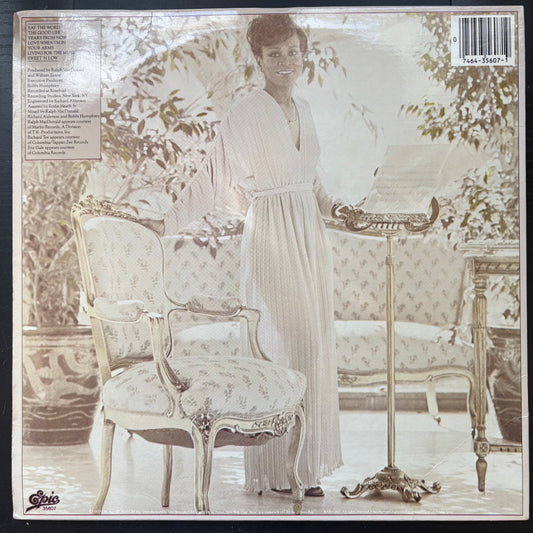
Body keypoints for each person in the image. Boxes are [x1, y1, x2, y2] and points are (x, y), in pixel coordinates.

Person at [164, 13, 343, 496]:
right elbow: (213, 177)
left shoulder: (305, 108)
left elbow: (310, 180)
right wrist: (165, 223)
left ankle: (304, 469)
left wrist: (339, 208)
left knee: (313, 348)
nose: (285, 61)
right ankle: (278, 469)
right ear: (259, 60)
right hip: (271, 237)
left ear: (303, 55)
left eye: (292, 52)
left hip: (310, 239)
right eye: (274, 54)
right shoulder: (245, 112)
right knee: (285, 345)